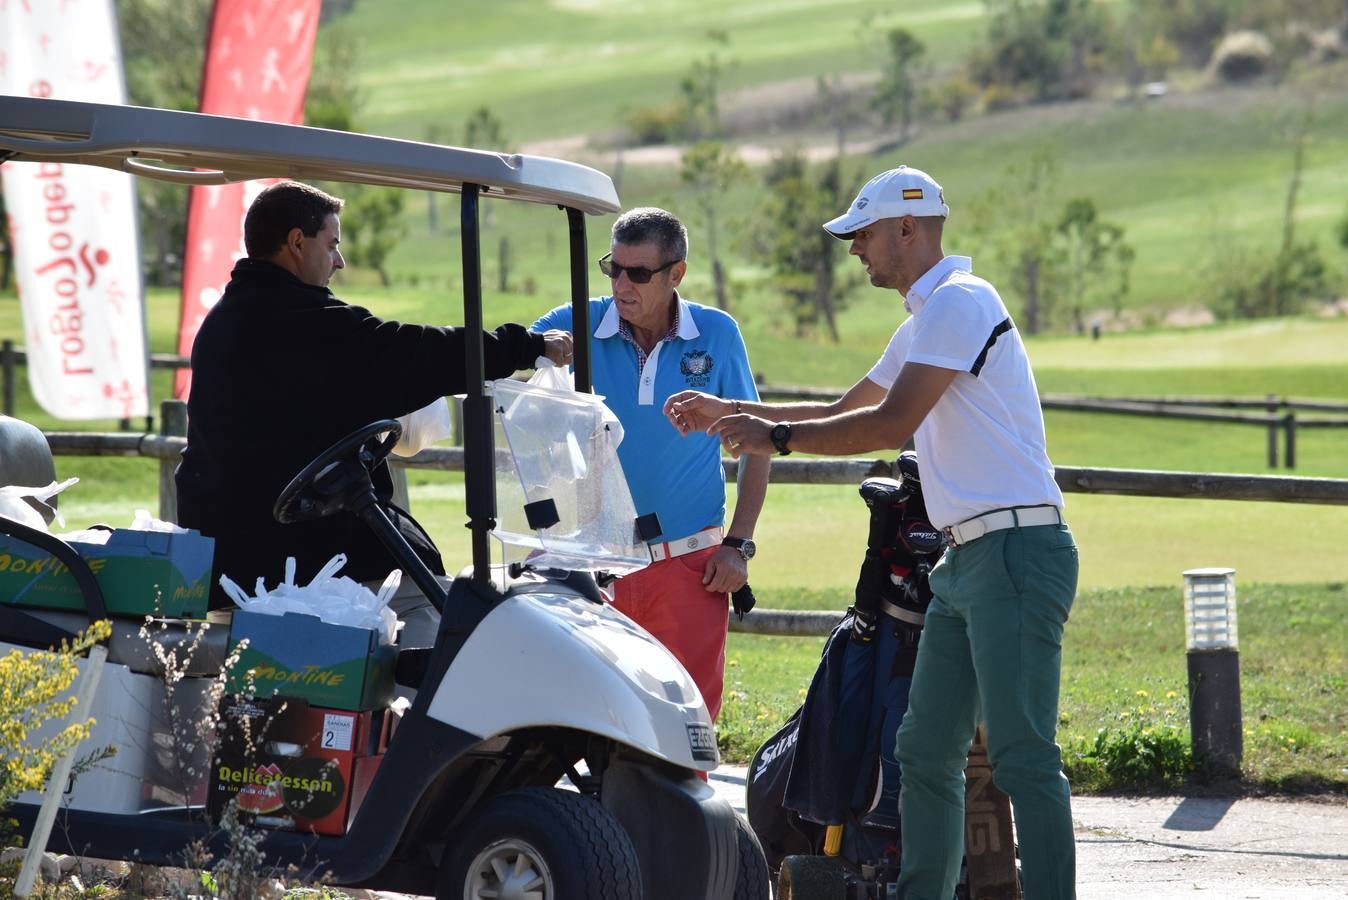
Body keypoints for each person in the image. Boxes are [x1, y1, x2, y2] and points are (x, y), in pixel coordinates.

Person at [666, 166, 1078, 899]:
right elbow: (844, 406)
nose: (855, 249)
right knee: (922, 751)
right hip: (966, 560)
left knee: (1022, 758)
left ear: (907, 230)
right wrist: (728, 410)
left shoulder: (959, 303)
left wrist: (775, 437)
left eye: (863, 234)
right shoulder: (927, 321)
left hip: (1016, 552)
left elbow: (888, 426)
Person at [177, 181, 572, 638]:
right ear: (296, 243)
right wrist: (522, 345)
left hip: (245, 559)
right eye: (332, 245)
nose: (339, 261)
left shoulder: (229, 319)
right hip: (300, 559)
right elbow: (415, 353)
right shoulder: (305, 325)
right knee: (441, 619)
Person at [531, 207, 769, 721]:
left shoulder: (718, 333)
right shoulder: (575, 320)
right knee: (595, 725)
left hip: (690, 566)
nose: (621, 284)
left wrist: (738, 545)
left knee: (687, 725)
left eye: (638, 273)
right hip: (595, 565)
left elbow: (756, 444)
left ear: (676, 273)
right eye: (612, 268)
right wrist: (534, 351)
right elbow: (507, 360)